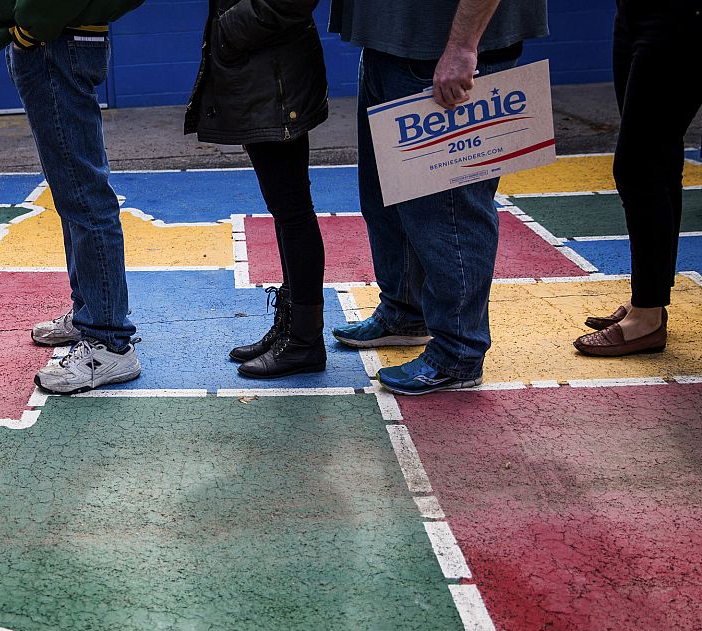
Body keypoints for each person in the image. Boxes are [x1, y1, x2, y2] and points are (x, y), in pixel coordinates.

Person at [328, 0, 548, 395]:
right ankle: (405, 311)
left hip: (440, 53)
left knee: (449, 213)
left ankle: (458, 353)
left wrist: (463, 47)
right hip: (396, 45)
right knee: (387, 200)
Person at [0, 0, 145, 394]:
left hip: (53, 40)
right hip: (53, 39)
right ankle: (91, 313)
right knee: (74, 192)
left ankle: (107, 339)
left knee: (84, 193)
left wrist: (31, 27)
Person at [185, 0, 329, 378]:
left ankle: (304, 341)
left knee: (294, 210)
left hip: (273, 76)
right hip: (262, 73)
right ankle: (293, 328)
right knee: (288, 209)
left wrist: (229, 28)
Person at [574, 0, 702, 357]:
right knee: (659, 162)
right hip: (634, 13)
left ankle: (647, 317)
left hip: (679, 18)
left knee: (638, 168)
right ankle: (648, 302)